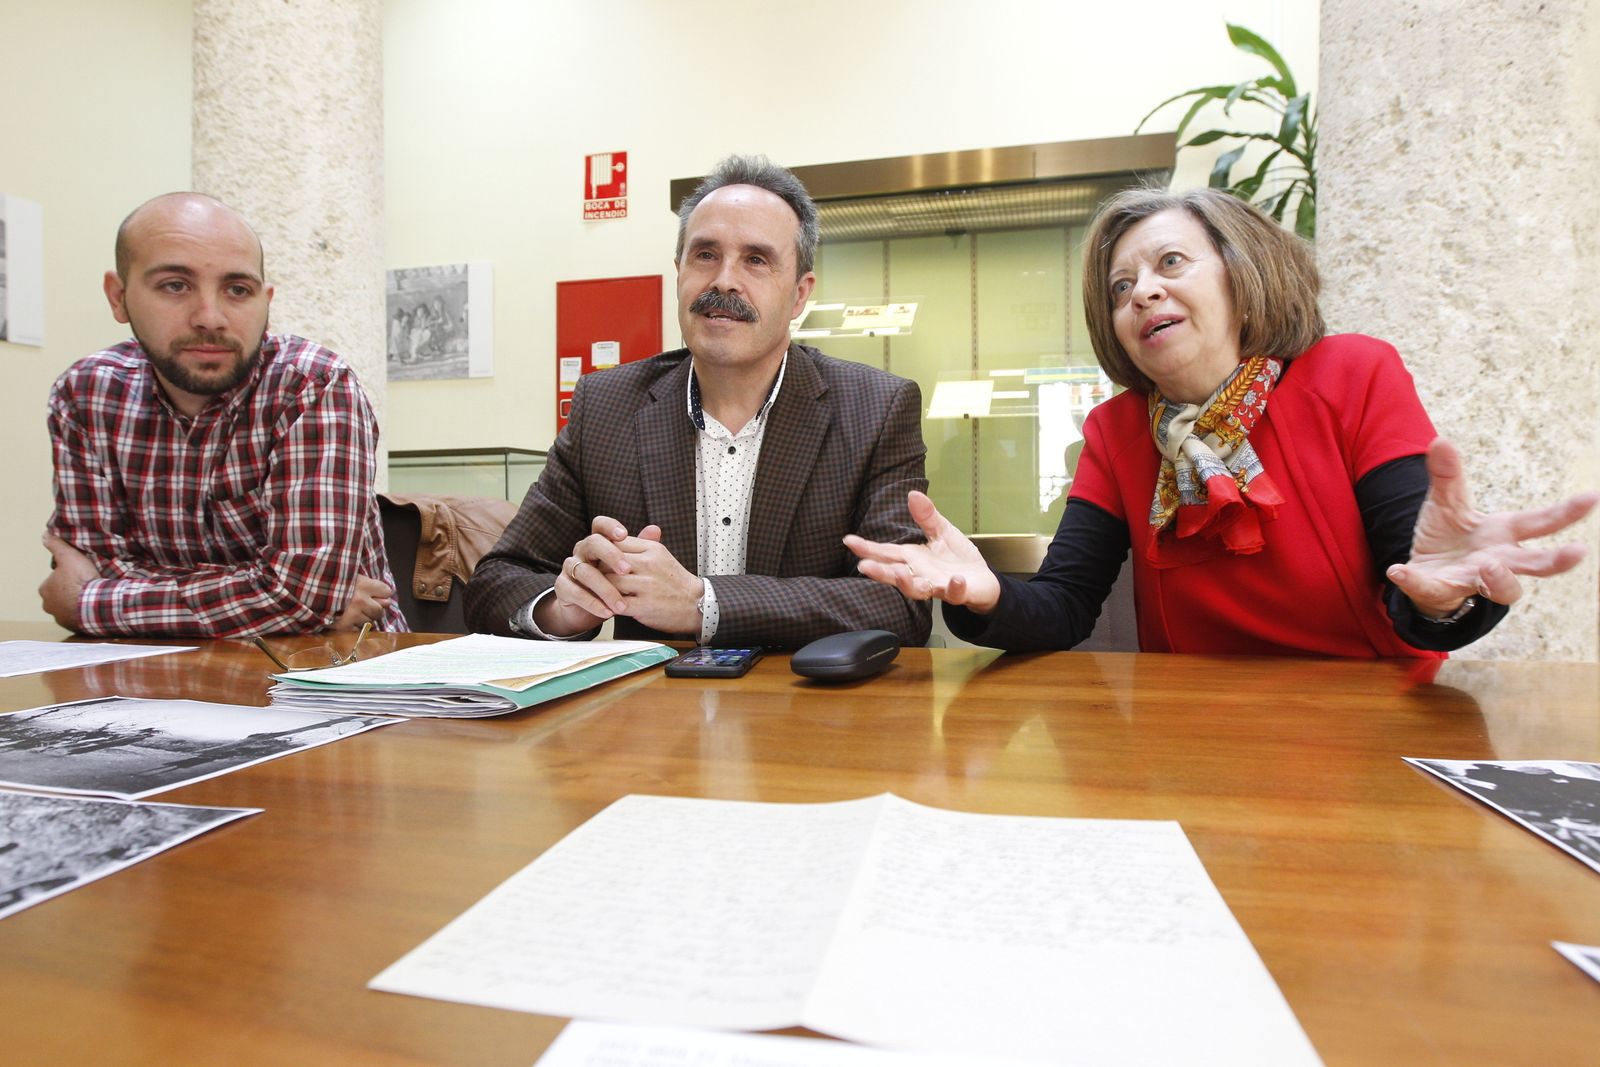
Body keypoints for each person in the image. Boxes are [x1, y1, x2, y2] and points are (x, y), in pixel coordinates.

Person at [846, 188, 1596, 658]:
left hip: (1366, 724)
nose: (1142, 292)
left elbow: (1418, 593)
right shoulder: (1116, 431)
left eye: (1171, 262)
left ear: (1244, 275)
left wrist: (1447, 595)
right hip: (1194, 732)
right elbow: (1067, 606)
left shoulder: (1352, 373)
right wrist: (984, 595)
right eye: (1121, 286)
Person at [466, 155, 930, 648]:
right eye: (705, 255)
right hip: (650, 714)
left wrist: (702, 604)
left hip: (805, 710)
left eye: (756, 259)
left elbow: (902, 602)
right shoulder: (607, 407)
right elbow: (496, 581)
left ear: (799, 295)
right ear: (679, 270)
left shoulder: (876, 409)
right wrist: (565, 607)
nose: (724, 280)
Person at [40, 192, 405, 638]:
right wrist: (282, 599)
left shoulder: (313, 386)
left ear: (265, 302)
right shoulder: (86, 394)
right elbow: (95, 561)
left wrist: (87, 603)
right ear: (119, 298)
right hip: (146, 671)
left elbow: (299, 593)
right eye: (175, 285)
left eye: (238, 290)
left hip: (331, 673)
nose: (210, 317)